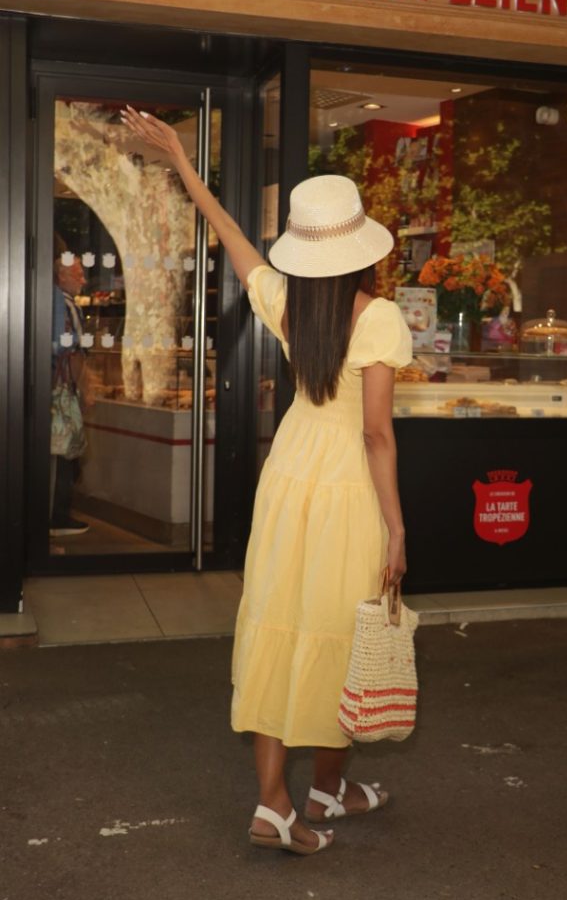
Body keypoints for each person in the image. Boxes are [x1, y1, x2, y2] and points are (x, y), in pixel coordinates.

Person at [120, 106, 413, 856]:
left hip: (288, 475)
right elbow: (376, 434)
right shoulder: (378, 318)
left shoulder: (288, 302)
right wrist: (397, 528)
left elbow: (229, 233)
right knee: (342, 629)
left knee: (280, 622)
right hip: (346, 484)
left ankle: (286, 800)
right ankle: (318, 788)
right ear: (359, 248)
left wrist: (184, 162)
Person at [51, 235, 93, 537]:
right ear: (61, 276)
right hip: (61, 391)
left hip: (51, 387)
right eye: (77, 274)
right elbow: (74, 353)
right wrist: (87, 389)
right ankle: (57, 516)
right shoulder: (66, 306)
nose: (83, 280)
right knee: (65, 452)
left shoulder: (51, 301)